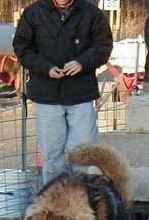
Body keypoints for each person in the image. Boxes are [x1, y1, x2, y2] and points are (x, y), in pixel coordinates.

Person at [12, 0, 113, 184]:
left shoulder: (91, 12)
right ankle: (55, 201)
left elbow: (103, 45)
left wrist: (83, 62)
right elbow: (22, 47)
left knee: (84, 152)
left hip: (81, 93)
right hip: (47, 94)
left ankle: (81, 197)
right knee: (52, 155)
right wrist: (45, 68)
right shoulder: (33, 13)